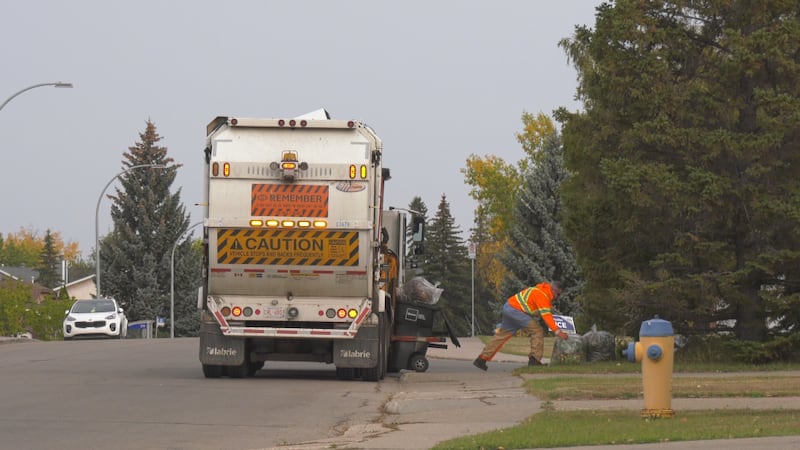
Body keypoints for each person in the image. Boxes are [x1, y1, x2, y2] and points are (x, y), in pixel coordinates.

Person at [473, 281, 569, 370]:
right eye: (558, 294)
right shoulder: (543, 295)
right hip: (517, 311)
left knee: (501, 336)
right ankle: (534, 360)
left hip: (509, 307)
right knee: (537, 331)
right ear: (554, 290)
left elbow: (533, 307)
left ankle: (481, 359)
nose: (558, 297)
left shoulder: (540, 290)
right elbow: (547, 317)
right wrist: (558, 332)